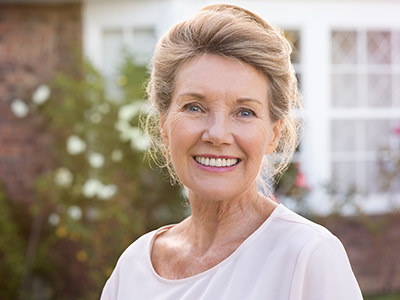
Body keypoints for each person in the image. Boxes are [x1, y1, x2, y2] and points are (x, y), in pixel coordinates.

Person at [100, 4, 363, 300]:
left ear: (273, 134)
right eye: (195, 107)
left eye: (245, 112)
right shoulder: (134, 266)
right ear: (164, 124)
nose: (218, 134)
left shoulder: (307, 255)